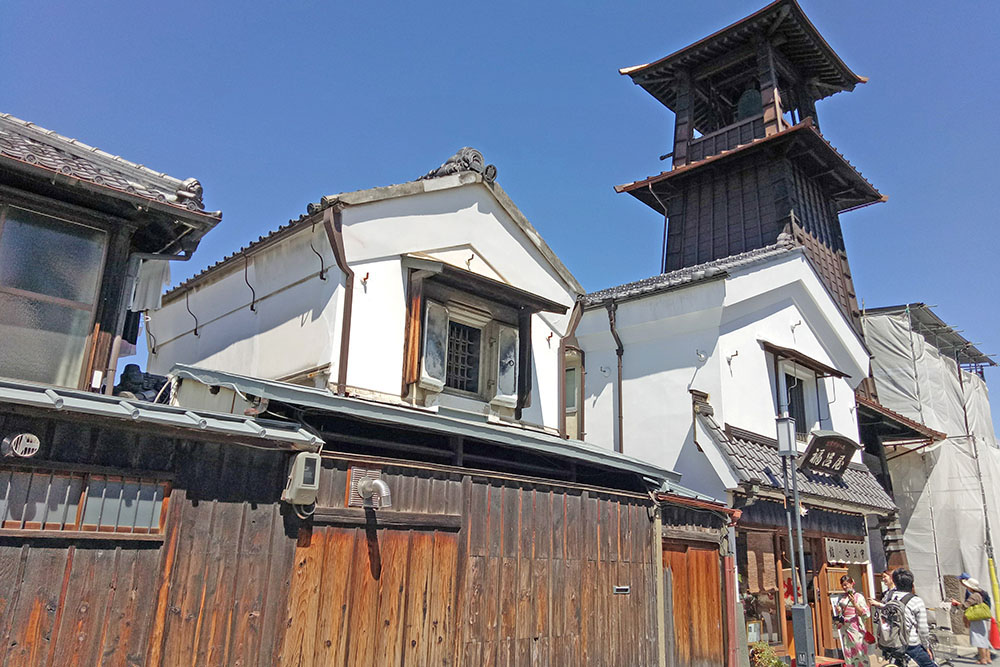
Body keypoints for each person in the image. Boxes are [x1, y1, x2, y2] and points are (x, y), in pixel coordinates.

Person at [886, 568, 938, 667]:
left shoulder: (890, 597)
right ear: (912, 583)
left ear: (895, 582)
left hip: (891, 642)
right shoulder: (916, 601)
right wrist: (926, 646)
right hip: (910, 643)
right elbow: (922, 629)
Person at [950, 576, 993, 664]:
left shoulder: (974, 596)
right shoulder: (981, 594)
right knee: (984, 639)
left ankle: (983, 659)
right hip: (981, 618)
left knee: (978, 639)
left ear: (970, 587)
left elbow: (964, 606)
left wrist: (956, 603)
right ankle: (988, 658)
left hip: (976, 618)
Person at [835, 575, 871, 667]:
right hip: (845, 626)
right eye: (843, 585)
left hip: (855, 625)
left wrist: (854, 603)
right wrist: (839, 610)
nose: (844, 587)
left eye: (846, 585)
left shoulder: (858, 596)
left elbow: (863, 612)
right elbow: (840, 612)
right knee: (848, 650)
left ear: (852, 584)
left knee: (859, 648)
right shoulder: (842, 597)